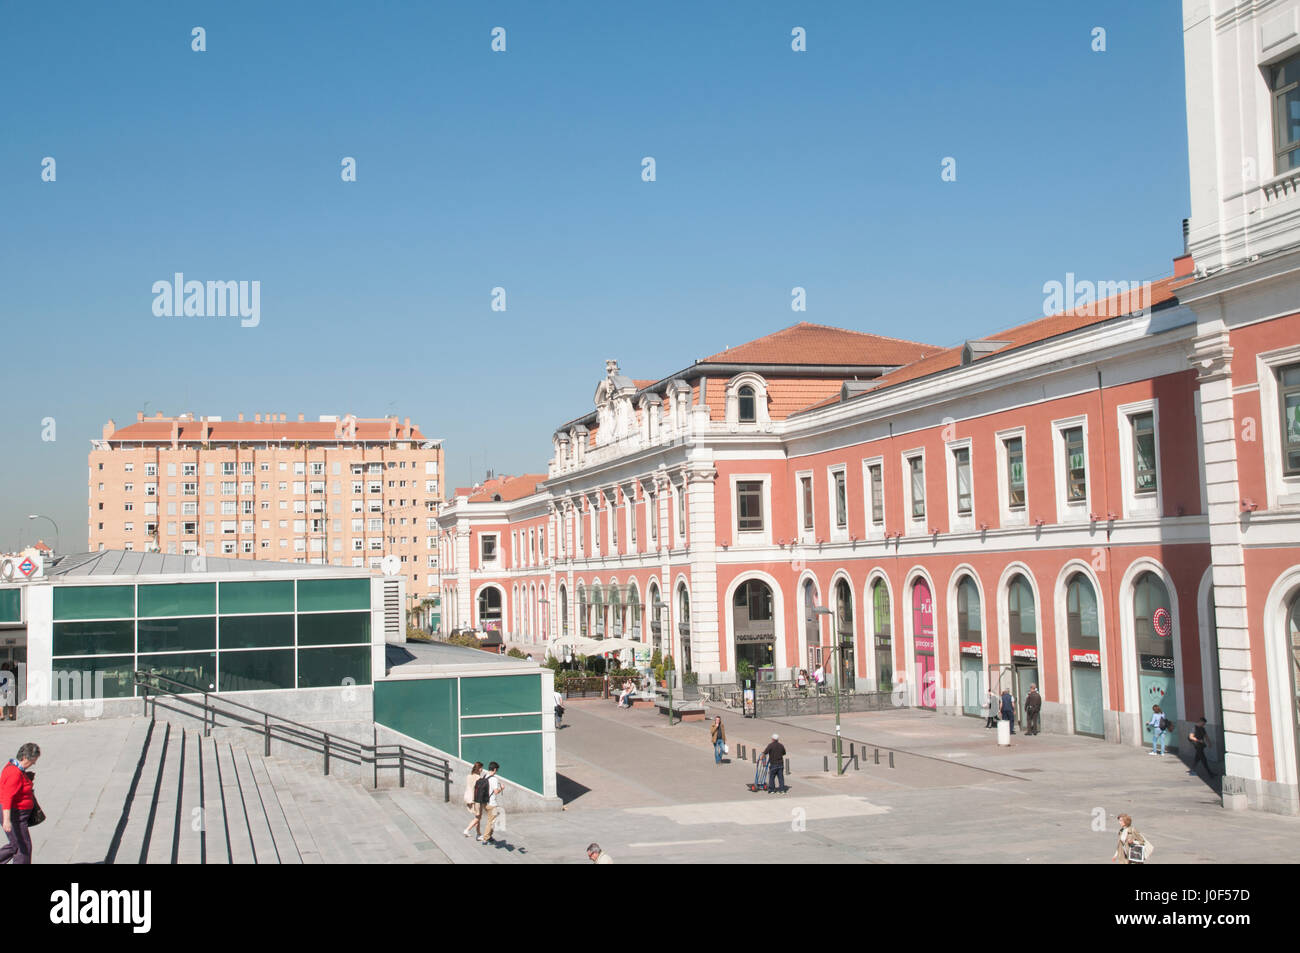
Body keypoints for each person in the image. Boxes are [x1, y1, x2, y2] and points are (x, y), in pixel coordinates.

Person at [0, 742, 40, 865]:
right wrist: (7, 820)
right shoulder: (14, 773)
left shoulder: (15, 768)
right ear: (25, 758)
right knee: (23, 848)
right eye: (33, 760)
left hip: (17, 815)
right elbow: (7, 797)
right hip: (14, 815)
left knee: (15, 845)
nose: (34, 763)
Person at [479, 762, 504, 845]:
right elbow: (496, 792)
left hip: (484, 802)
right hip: (492, 803)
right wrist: (501, 788)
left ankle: (489, 836)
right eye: (496, 770)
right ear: (495, 769)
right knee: (491, 821)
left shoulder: (485, 776)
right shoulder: (494, 779)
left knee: (492, 820)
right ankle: (485, 838)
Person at [462, 761, 484, 838]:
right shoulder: (479, 778)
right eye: (481, 768)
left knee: (477, 816)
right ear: (479, 769)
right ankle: (467, 829)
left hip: (470, 798)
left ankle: (478, 834)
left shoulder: (468, 776)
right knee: (478, 817)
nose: (482, 770)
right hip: (477, 800)